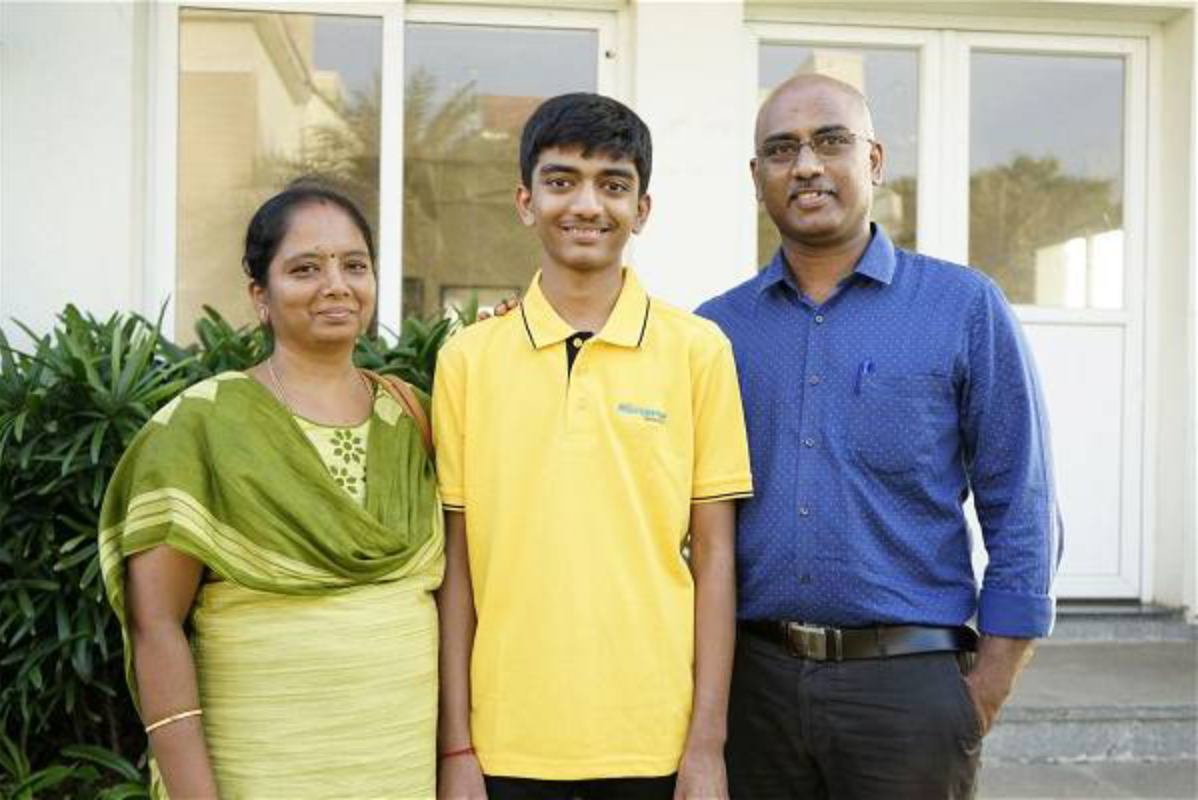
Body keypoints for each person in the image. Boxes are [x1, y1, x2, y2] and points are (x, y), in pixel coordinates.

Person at [695, 74, 1063, 799]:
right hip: (754, 690)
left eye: (831, 141)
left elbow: (1022, 504)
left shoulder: (963, 308)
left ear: (874, 160)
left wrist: (985, 688)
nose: (805, 165)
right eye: (781, 149)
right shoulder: (715, 331)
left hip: (909, 692)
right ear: (756, 176)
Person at [432, 93, 754, 800]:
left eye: (613, 185)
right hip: (506, 741)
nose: (586, 204)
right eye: (561, 181)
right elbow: (458, 566)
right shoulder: (467, 359)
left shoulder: (698, 352)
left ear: (642, 209)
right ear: (525, 200)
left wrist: (706, 746)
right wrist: (456, 745)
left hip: (654, 741)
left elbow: (716, 556)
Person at [99, 184, 444, 799]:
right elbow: (155, 625)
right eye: (305, 268)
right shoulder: (203, 426)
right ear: (260, 296)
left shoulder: (409, 414)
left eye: (354, 265)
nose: (336, 284)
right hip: (261, 769)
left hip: (400, 769)